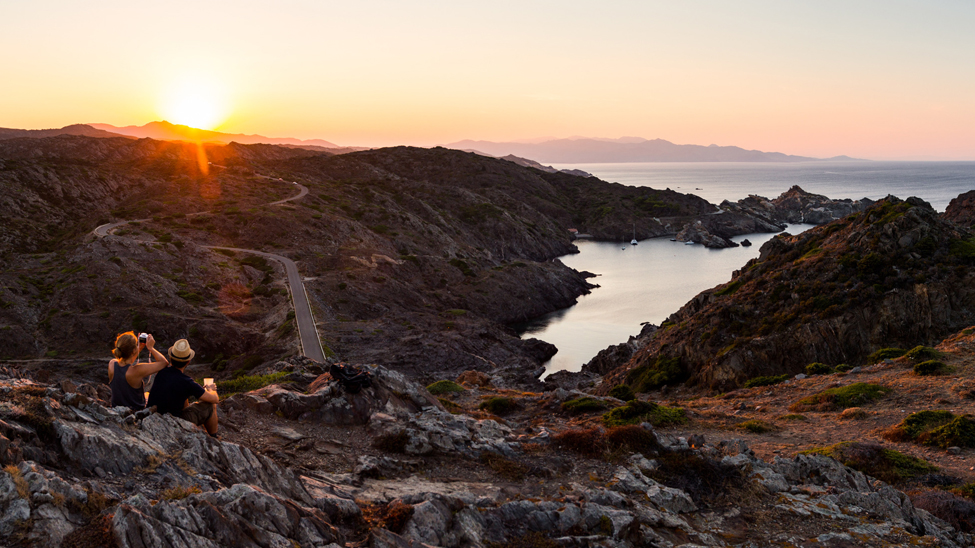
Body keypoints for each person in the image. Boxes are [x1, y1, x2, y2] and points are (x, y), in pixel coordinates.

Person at [147, 339, 219, 436]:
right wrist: (212, 390)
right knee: (210, 406)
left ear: (170, 358)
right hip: (174, 421)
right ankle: (214, 437)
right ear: (188, 362)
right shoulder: (187, 382)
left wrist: (151, 348)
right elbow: (215, 399)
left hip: (153, 417)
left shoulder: (161, 372)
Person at [108, 331, 169, 410]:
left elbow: (126, 361)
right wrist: (151, 348)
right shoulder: (136, 370)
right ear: (133, 351)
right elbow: (164, 363)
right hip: (135, 412)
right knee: (148, 395)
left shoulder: (112, 364)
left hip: (116, 408)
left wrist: (139, 348)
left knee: (146, 394)